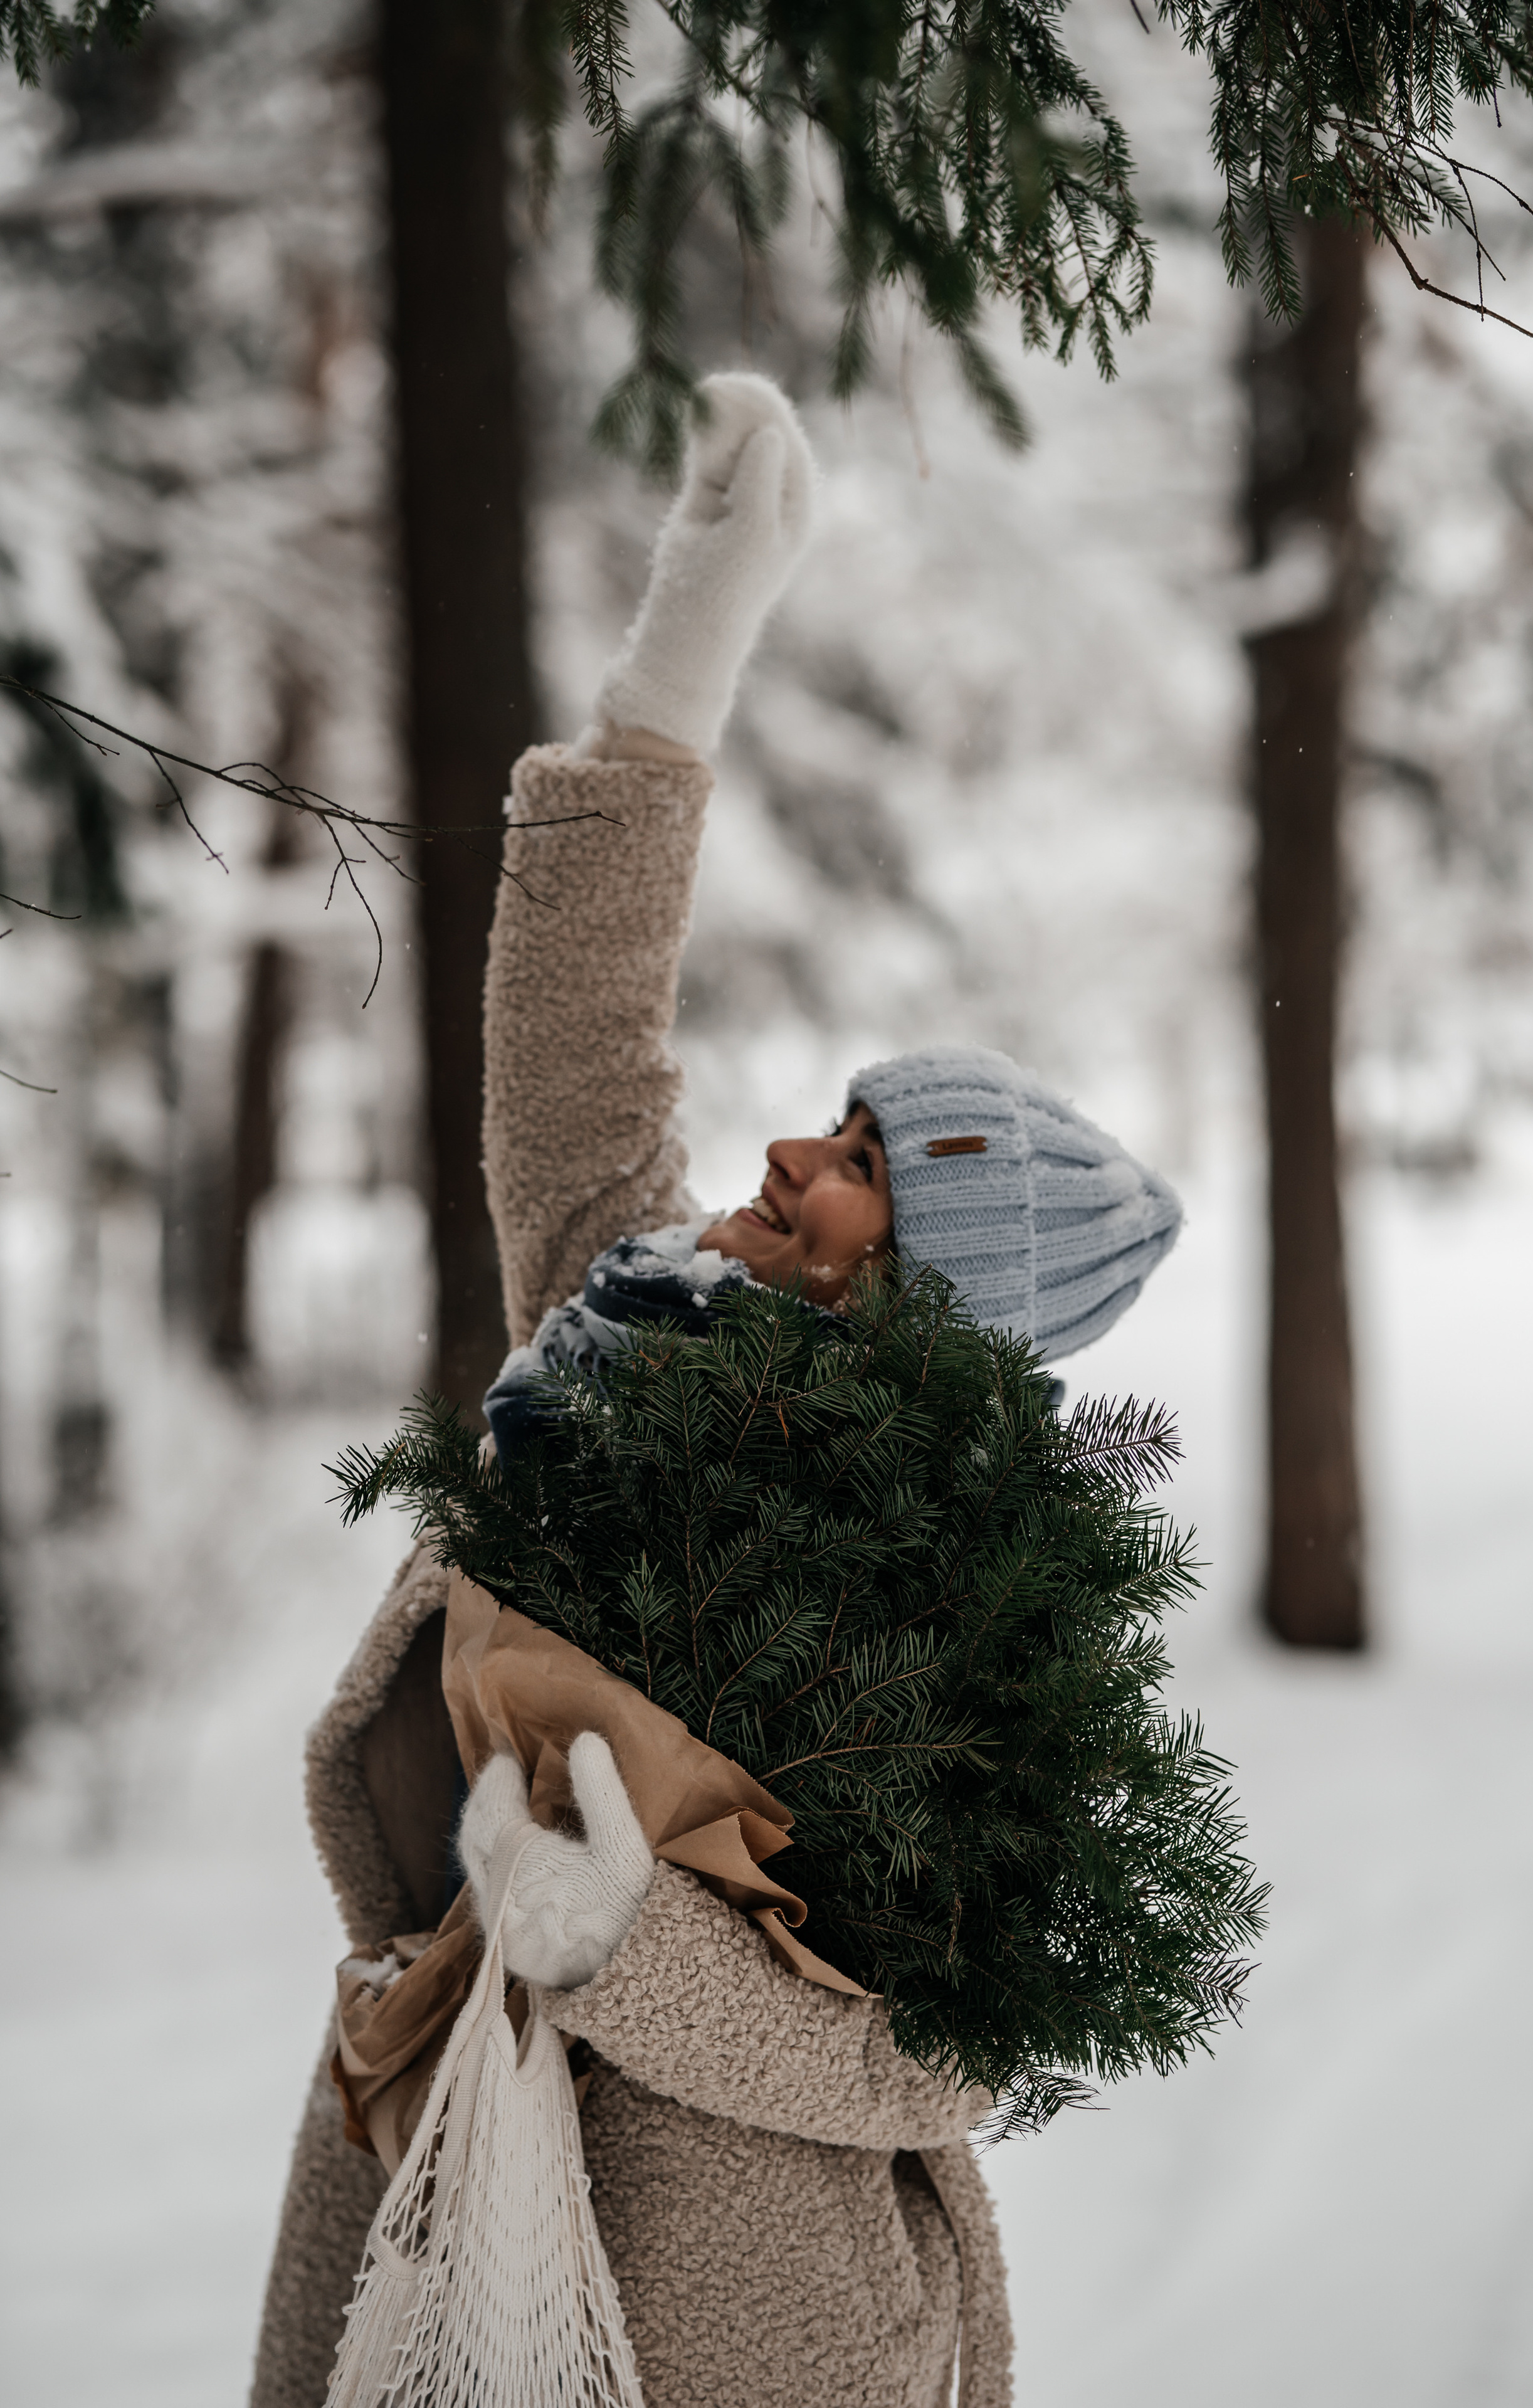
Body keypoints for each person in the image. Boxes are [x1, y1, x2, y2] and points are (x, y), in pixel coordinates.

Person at [249, 374, 1181, 2408]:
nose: (792, 1159)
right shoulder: (641, 1333)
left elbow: (944, 2040)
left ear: (924, 1302)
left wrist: (619, 1944)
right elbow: (573, 1061)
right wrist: (686, 651)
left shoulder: (959, 1583)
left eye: (859, 1172)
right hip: (442, 2130)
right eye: (840, 1121)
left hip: (742, 2305)